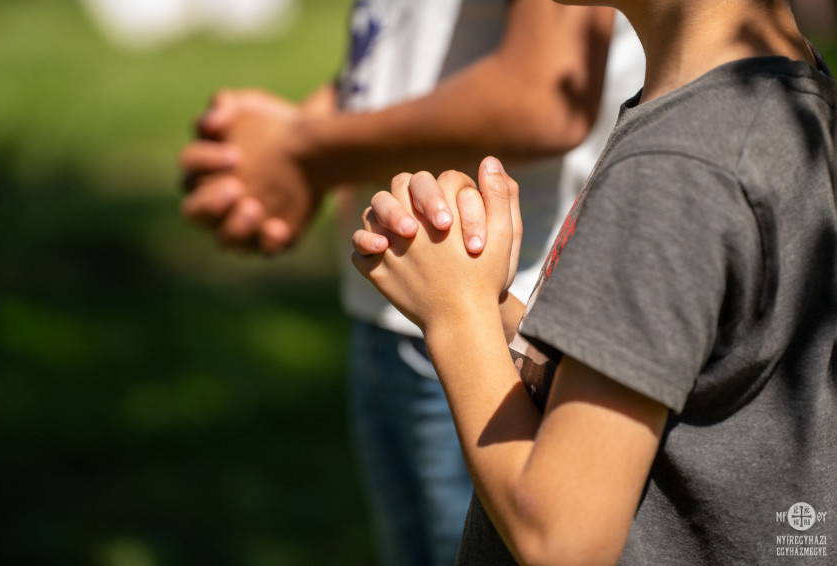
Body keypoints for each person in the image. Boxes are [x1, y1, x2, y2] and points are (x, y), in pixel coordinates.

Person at [352, 0, 837, 564]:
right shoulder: (777, 102)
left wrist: (456, 317)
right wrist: (482, 300)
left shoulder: (679, 168)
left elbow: (560, 538)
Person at [179, 1, 645, 564]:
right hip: (402, 305)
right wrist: (282, 144)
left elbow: (545, 95)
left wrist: (305, 149)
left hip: (495, 331)